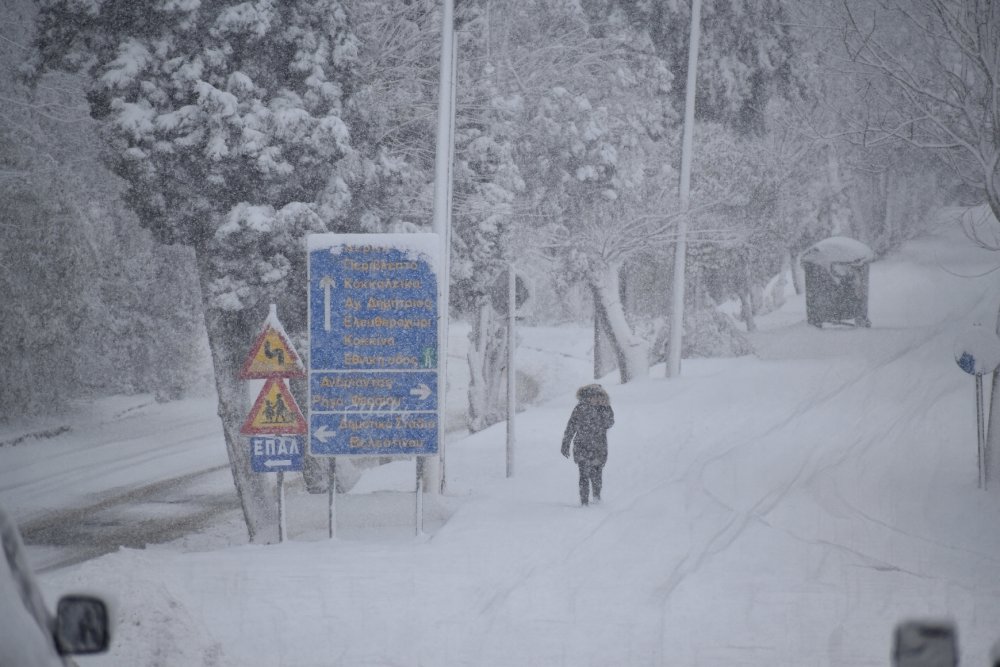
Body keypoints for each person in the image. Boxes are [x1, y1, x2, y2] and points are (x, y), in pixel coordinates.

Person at [561, 384, 615, 506]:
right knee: (584, 474)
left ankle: (596, 497)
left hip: (598, 447)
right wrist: (565, 443)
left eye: (598, 396)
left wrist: (604, 408)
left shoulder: (604, 407)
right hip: (582, 447)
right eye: (593, 396)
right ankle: (584, 501)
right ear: (587, 396)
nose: (595, 398)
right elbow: (571, 426)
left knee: (597, 474)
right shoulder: (580, 408)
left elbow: (609, 423)